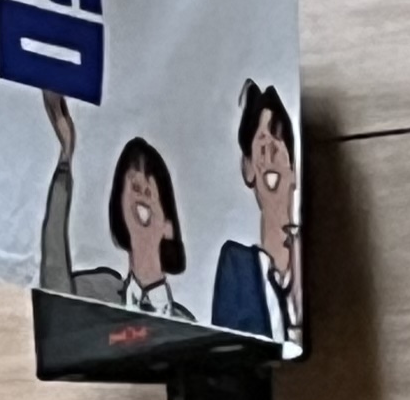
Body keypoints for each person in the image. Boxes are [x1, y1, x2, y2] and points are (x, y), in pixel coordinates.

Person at [37, 87, 192, 318]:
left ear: (168, 227)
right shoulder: (99, 292)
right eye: (134, 188)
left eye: (148, 191)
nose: (141, 196)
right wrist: (65, 159)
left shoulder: (185, 321)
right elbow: (55, 291)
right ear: (121, 212)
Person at [210, 78, 304, 346]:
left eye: (278, 140)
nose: (269, 151)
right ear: (248, 168)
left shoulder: (311, 254)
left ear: (294, 169)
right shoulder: (237, 267)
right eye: (261, 142)